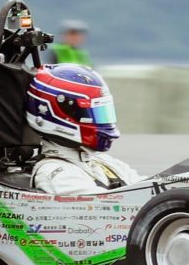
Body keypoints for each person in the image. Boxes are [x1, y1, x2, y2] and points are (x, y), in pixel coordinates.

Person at [25, 64, 142, 195]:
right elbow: (102, 204)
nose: (102, 122)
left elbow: (149, 190)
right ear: (62, 114)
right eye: (94, 114)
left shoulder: (105, 162)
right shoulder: (56, 172)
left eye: (102, 112)